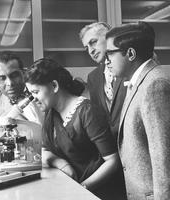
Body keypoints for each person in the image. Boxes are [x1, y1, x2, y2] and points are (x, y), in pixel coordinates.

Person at [24, 58, 123, 200]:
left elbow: (113, 161)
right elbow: (44, 150)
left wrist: (82, 188)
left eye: (35, 92)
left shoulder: (87, 112)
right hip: (72, 188)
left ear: (54, 86)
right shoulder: (51, 113)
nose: (33, 99)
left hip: (99, 192)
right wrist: (62, 164)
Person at [105, 21, 170, 200]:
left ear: (131, 54)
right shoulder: (137, 81)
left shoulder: (155, 84)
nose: (106, 60)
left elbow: (163, 156)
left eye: (110, 53)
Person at [79, 22, 127, 141]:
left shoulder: (129, 64)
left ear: (109, 37)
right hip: (112, 146)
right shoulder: (93, 77)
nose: (90, 51)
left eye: (93, 42)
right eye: (86, 48)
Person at [0, 51, 44, 143]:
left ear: (23, 74)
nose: (10, 83)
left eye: (14, 75)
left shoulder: (44, 94)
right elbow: (5, 141)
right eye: (2, 78)